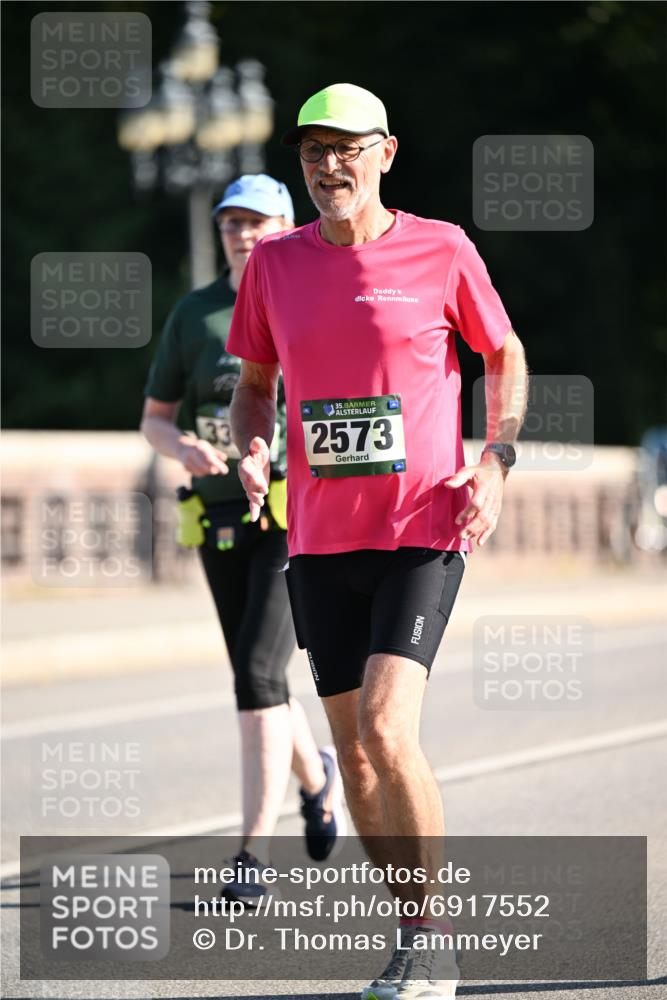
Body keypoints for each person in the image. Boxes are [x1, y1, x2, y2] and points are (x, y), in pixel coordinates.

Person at [227, 85, 528, 998]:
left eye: (347, 149)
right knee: (352, 751)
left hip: (422, 528)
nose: (329, 166)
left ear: (385, 153)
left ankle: (434, 939)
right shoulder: (274, 264)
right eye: (314, 151)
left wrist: (496, 459)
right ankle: (408, 930)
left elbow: (502, 354)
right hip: (319, 541)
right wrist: (251, 445)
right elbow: (253, 383)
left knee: (392, 731)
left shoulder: (441, 249)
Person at [140, 173, 343, 905]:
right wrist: (181, 450)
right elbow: (155, 417)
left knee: (255, 678)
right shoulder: (195, 315)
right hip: (216, 517)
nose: (241, 233)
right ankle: (318, 780)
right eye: (231, 222)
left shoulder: (311, 295)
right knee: (261, 678)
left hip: (291, 515)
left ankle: (252, 852)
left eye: (256, 221)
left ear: (287, 225)